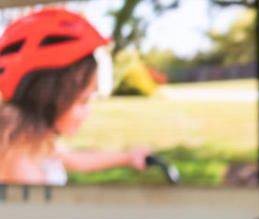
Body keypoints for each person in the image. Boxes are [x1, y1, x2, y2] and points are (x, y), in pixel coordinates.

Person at [0, 8, 149, 185]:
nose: (88, 112)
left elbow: (74, 159)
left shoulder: (28, 139)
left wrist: (128, 157)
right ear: (49, 98)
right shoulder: (24, 171)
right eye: (82, 101)